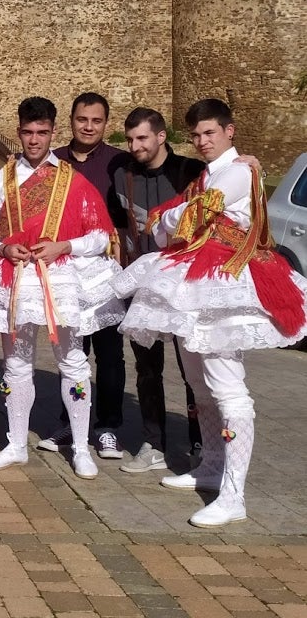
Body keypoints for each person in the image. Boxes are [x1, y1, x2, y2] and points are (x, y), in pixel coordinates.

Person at [113, 98, 307, 527]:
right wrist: (176, 216)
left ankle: (234, 494)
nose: (202, 141)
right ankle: (212, 467)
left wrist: (176, 216)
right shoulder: (210, 173)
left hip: (223, 280)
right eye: (197, 135)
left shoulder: (239, 170)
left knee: (226, 384)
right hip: (197, 277)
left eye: (209, 134)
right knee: (198, 377)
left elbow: (185, 217)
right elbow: (169, 223)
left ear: (229, 131)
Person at [0, 96, 123, 480]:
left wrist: (64, 246)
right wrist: (2, 247)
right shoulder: (0, 179)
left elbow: (101, 236)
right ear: (19, 132)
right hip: (16, 278)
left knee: (73, 362)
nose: (35, 140)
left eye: (43, 132)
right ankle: (16, 444)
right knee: (17, 366)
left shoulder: (72, 180)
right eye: (28, 132)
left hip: (61, 279)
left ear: (53, 133)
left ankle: (81, 447)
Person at [109, 108, 204, 474]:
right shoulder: (121, 175)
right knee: (147, 369)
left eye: (143, 138)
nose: (135, 146)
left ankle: (199, 441)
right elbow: (117, 228)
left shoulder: (192, 174)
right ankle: (154, 443)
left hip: (184, 286)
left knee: (192, 370)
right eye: (130, 139)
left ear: (161, 137)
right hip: (143, 287)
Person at [41, 92, 130, 459]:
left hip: (104, 273)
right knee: (71, 353)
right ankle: (70, 422)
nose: (88, 126)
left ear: (105, 124)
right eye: (82, 120)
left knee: (109, 354)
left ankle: (108, 427)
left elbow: (168, 164)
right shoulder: (54, 161)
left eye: (96, 121)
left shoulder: (119, 163)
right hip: (65, 271)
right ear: (72, 121)